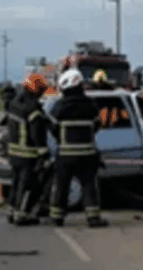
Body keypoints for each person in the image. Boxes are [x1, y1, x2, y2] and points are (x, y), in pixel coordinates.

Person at [46, 69, 108, 228]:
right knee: (89, 186)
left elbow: (52, 128)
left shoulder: (59, 106)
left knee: (61, 185)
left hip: (65, 155)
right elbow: (97, 126)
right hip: (87, 154)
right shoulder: (91, 105)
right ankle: (93, 218)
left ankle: (56, 218)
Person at [4, 73, 51, 226]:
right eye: (42, 89)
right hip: (27, 153)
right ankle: (21, 215)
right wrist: (44, 154)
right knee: (28, 184)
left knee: (16, 182)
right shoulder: (33, 108)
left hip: (13, 152)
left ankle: (11, 210)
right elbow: (37, 133)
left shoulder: (15, 103)